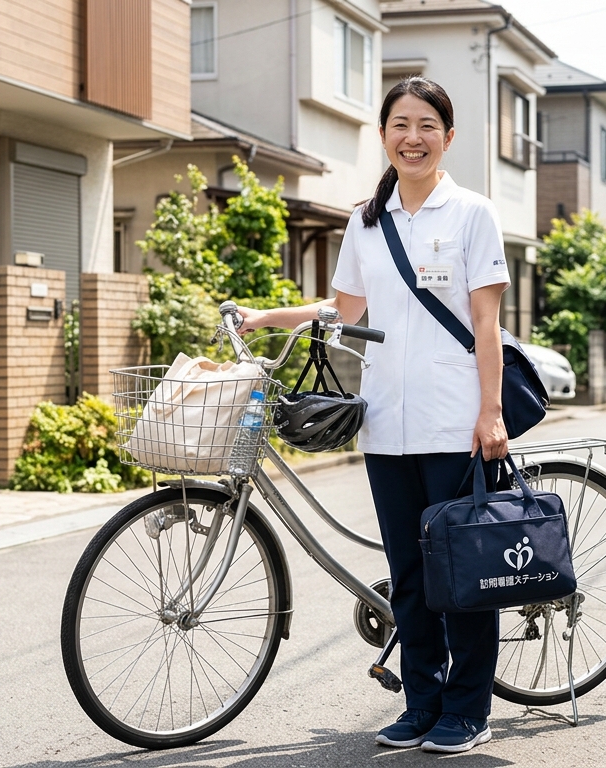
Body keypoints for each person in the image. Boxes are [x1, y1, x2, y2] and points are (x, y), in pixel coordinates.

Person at [234, 77, 507, 754]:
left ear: (448, 137)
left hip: (455, 421)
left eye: (426, 125)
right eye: (400, 125)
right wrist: (267, 317)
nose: (413, 138)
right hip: (386, 424)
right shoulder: (364, 221)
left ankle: (468, 710)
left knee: (458, 571)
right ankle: (422, 703)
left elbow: (486, 321)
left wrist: (491, 412)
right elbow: (344, 311)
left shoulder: (472, 213)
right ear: (383, 135)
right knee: (409, 574)